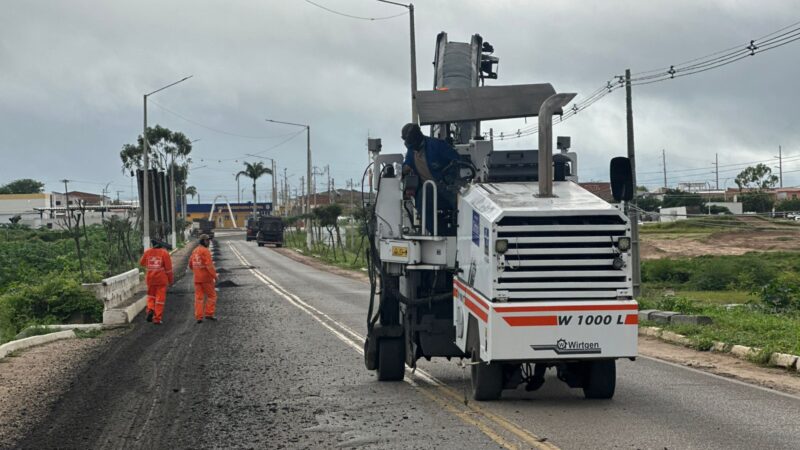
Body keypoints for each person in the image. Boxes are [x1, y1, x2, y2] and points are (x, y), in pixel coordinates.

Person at [400, 123, 461, 234]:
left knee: (460, 204)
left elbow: (457, 160)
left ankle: (459, 230)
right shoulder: (411, 151)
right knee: (422, 199)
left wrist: (450, 177)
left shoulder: (437, 145)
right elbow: (406, 164)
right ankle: (436, 232)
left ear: (418, 138)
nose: (414, 150)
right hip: (428, 190)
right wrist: (404, 169)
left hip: (446, 187)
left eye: (414, 146)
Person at [139, 239, 174, 325]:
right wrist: (170, 281)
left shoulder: (148, 252)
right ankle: (157, 318)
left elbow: (142, 263)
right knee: (159, 299)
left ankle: (150, 309)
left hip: (150, 279)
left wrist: (151, 263)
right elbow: (168, 269)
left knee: (151, 296)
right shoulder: (164, 253)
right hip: (161, 279)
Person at [189, 234, 218, 324]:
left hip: (197, 278)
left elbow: (190, 264)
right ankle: (209, 314)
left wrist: (197, 271)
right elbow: (209, 265)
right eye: (207, 240)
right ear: (203, 241)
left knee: (199, 298)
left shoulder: (195, 251)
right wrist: (215, 276)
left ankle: (199, 317)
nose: (208, 242)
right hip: (206, 279)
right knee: (212, 296)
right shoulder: (205, 251)